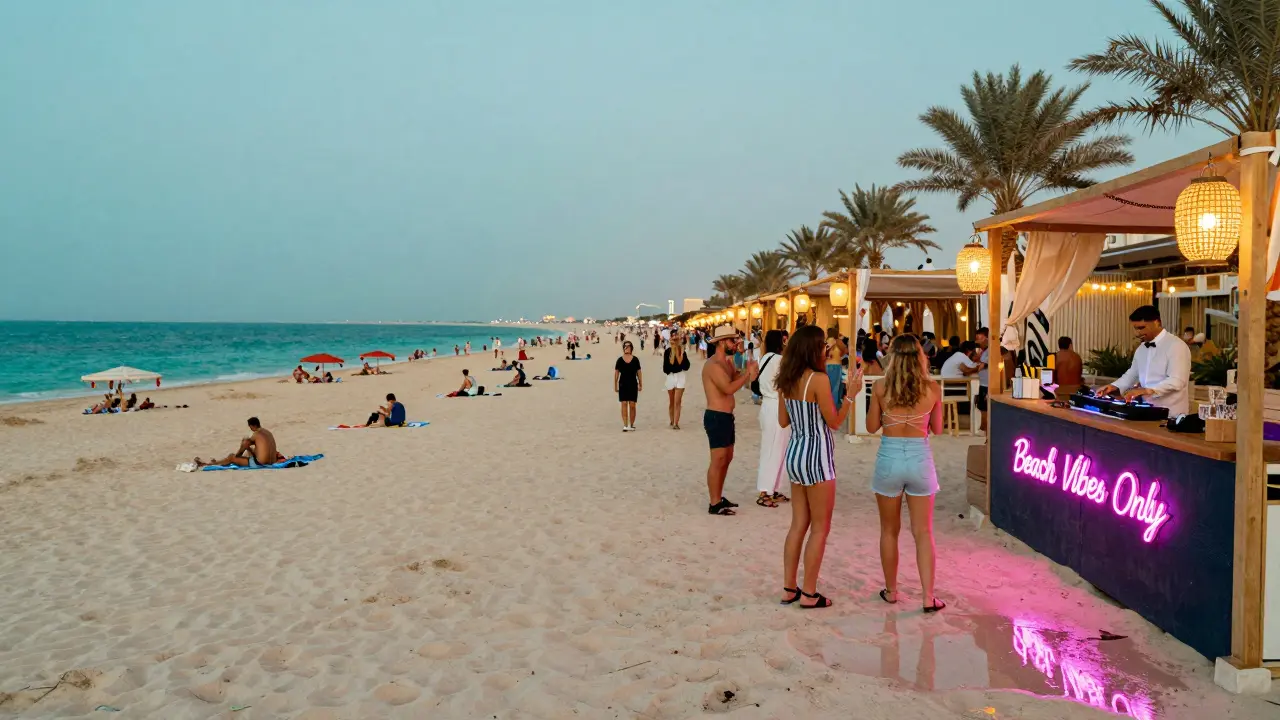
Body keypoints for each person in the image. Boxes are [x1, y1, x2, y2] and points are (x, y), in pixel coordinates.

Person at [776, 325, 858, 608]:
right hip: (817, 455)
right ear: (813, 348)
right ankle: (810, 592)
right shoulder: (819, 380)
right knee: (820, 527)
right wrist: (850, 396)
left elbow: (783, 422)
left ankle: (789, 588)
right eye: (823, 345)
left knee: (798, 523)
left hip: (796, 453)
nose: (826, 349)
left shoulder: (786, 380)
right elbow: (834, 422)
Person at [866, 334, 945, 613]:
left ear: (893, 356)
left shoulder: (879, 387)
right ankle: (927, 597)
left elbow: (871, 426)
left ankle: (891, 591)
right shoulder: (933, 388)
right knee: (923, 532)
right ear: (921, 357)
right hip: (920, 459)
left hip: (889, 458)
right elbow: (937, 429)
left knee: (889, 531)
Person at [701, 325, 757, 515]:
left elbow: (737, 379)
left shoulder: (727, 363)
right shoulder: (713, 366)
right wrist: (748, 374)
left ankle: (719, 495)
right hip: (716, 416)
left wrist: (746, 368)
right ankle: (714, 502)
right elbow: (728, 388)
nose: (735, 344)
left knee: (727, 457)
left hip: (726, 416)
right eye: (733, 341)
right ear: (722, 342)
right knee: (718, 459)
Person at [1096, 305, 1192, 415]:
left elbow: (1177, 381)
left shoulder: (1176, 345)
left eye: (1141, 328)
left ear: (1157, 322)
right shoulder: (1141, 349)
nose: (1137, 333)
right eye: (1135, 328)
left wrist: (1147, 390)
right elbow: (1132, 374)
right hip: (1146, 410)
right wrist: (1114, 386)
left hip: (1171, 414)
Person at [755, 330, 789, 508]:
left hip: (769, 405)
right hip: (776, 405)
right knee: (773, 449)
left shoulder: (766, 357)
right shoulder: (778, 360)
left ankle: (773, 488)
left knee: (778, 448)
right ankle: (765, 491)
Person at [195, 417, 279, 468]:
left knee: (232, 457)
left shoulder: (256, 434)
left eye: (250, 427)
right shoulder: (268, 432)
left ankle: (208, 464)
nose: (250, 429)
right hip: (272, 461)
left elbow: (245, 444)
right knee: (251, 449)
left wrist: (237, 455)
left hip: (261, 464)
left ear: (253, 426)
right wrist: (249, 449)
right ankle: (217, 462)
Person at [663, 332, 691, 429]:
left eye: (676, 337)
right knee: (672, 401)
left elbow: (685, 366)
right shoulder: (667, 352)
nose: (675, 339)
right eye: (673, 337)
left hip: (680, 376)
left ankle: (676, 423)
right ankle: (672, 420)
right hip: (670, 376)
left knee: (677, 401)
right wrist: (673, 350)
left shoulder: (682, 352)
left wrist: (679, 353)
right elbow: (666, 367)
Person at [615, 341, 642, 431]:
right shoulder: (619, 360)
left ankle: (631, 424)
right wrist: (615, 385)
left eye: (628, 346)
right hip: (622, 384)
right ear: (623, 348)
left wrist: (641, 384)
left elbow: (639, 372)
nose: (627, 347)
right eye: (625, 346)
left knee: (632, 405)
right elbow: (616, 373)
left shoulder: (635, 360)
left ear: (631, 348)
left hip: (633, 383)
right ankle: (625, 425)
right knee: (624, 404)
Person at [824, 327, 847, 407]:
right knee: (835, 388)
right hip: (836, 366)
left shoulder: (826, 341)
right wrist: (839, 355)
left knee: (828, 387)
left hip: (826, 366)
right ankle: (833, 407)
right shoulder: (838, 341)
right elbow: (845, 351)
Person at [974, 327, 991, 433]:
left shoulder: (990, 351)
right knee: (981, 406)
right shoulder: (984, 351)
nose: (978, 341)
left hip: (987, 384)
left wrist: (968, 368)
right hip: (983, 383)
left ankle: (985, 428)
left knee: (984, 407)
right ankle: (983, 427)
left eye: (980, 339)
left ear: (987, 338)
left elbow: (981, 366)